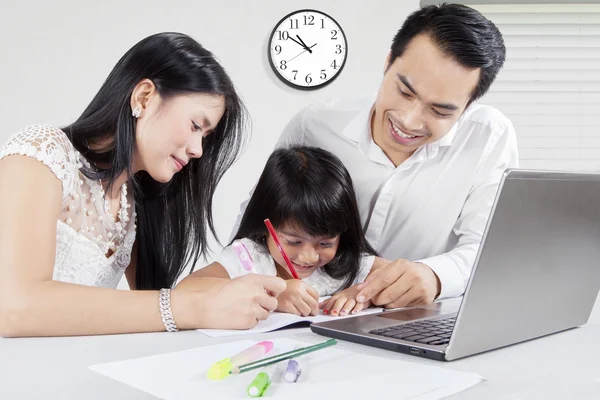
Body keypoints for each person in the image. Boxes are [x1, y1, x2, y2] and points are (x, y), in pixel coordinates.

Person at [232, 4, 519, 309]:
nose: (409, 121)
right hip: (308, 316)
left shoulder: (488, 137)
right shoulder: (315, 125)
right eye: (404, 92)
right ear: (387, 64)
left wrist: (435, 277)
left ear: (468, 106)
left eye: (439, 110)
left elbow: (490, 250)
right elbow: (256, 225)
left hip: (413, 319)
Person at [0, 32, 286, 338]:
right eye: (195, 126)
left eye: (205, 136)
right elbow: (16, 307)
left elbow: (151, 310)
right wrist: (191, 306)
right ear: (144, 97)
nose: (198, 150)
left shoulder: (134, 204)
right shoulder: (42, 154)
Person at [179, 146, 388, 317]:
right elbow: (184, 291)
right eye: (294, 241)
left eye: (326, 243)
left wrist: (362, 294)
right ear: (266, 225)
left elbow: (400, 275)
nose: (309, 256)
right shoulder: (249, 259)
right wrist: (273, 297)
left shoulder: (344, 261)